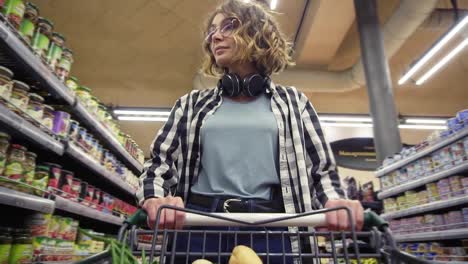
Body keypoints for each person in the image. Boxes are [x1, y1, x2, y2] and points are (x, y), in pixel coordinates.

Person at [137, 0, 364, 262]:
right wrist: (155, 198)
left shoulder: (294, 103)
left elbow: (321, 170)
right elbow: (159, 162)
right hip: (200, 224)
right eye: (212, 31)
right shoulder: (191, 104)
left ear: (257, 34)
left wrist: (334, 201)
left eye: (229, 26)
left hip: (273, 225)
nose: (216, 36)